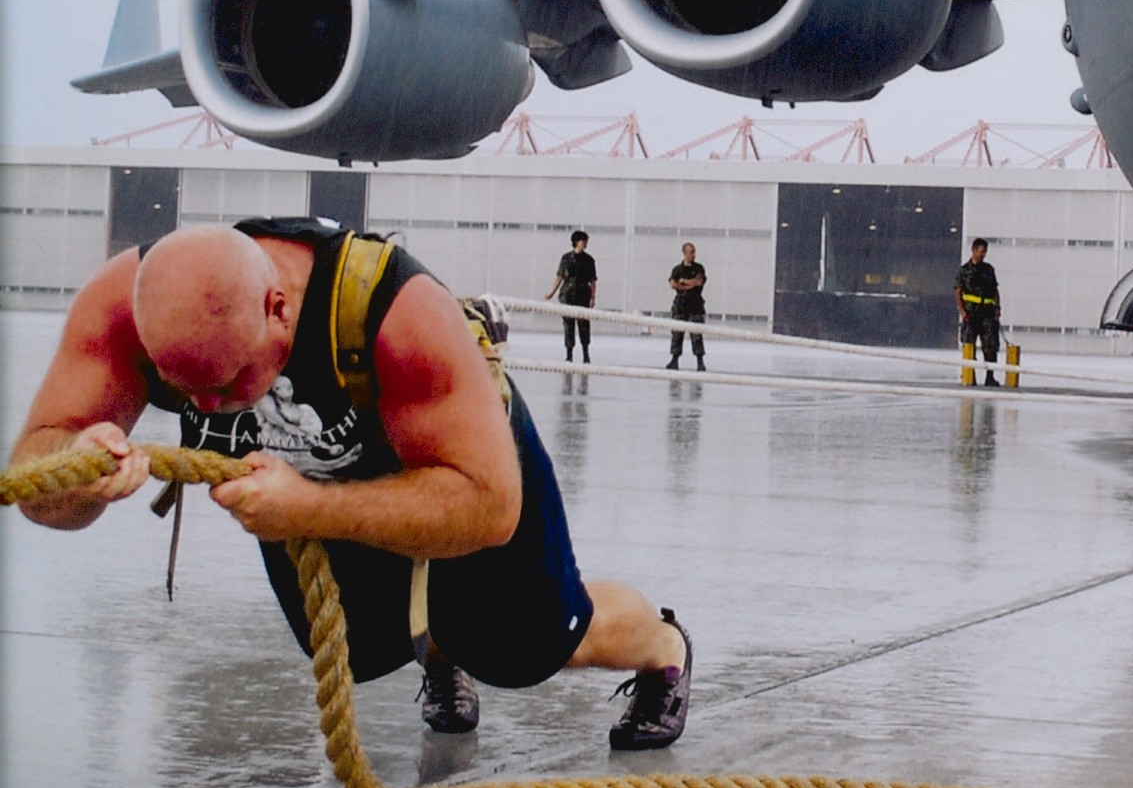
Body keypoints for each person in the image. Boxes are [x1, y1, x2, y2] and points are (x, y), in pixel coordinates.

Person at [9, 219, 692, 749]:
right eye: (184, 392)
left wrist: (307, 506)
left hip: (451, 463)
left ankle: (663, 647)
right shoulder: (124, 305)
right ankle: (439, 641)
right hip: (306, 476)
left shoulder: (394, 311)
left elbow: (487, 508)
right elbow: (37, 474)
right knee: (357, 648)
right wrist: (79, 467)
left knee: (520, 649)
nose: (210, 412)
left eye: (227, 383)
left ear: (277, 308)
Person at [546, 230, 597, 363]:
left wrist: (592, 297)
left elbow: (593, 280)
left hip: (583, 295)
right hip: (568, 294)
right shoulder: (566, 258)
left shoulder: (589, 260)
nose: (585, 243)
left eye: (586, 241)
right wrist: (551, 292)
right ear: (576, 242)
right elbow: (560, 276)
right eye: (583, 241)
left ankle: (586, 354)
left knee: (584, 325)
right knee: (568, 326)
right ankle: (569, 355)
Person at [954, 238, 1001, 372]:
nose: (983, 254)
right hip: (971, 314)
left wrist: (997, 308)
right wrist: (962, 311)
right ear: (974, 251)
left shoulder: (989, 270)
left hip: (987, 314)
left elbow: (995, 291)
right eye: (981, 251)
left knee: (990, 346)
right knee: (969, 345)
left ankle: (990, 377)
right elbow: (958, 293)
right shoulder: (963, 271)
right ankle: (970, 376)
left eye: (985, 252)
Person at [666, 242, 706, 371]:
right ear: (684, 253)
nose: (693, 255)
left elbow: (699, 282)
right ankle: (675, 359)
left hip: (696, 306)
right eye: (691, 252)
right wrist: (689, 285)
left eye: (694, 252)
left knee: (697, 335)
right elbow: (673, 284)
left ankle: (700, 361)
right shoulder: (677, 269)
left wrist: (684, 282)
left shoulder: (699, 268)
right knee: (677, 334)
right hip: (680, 306)